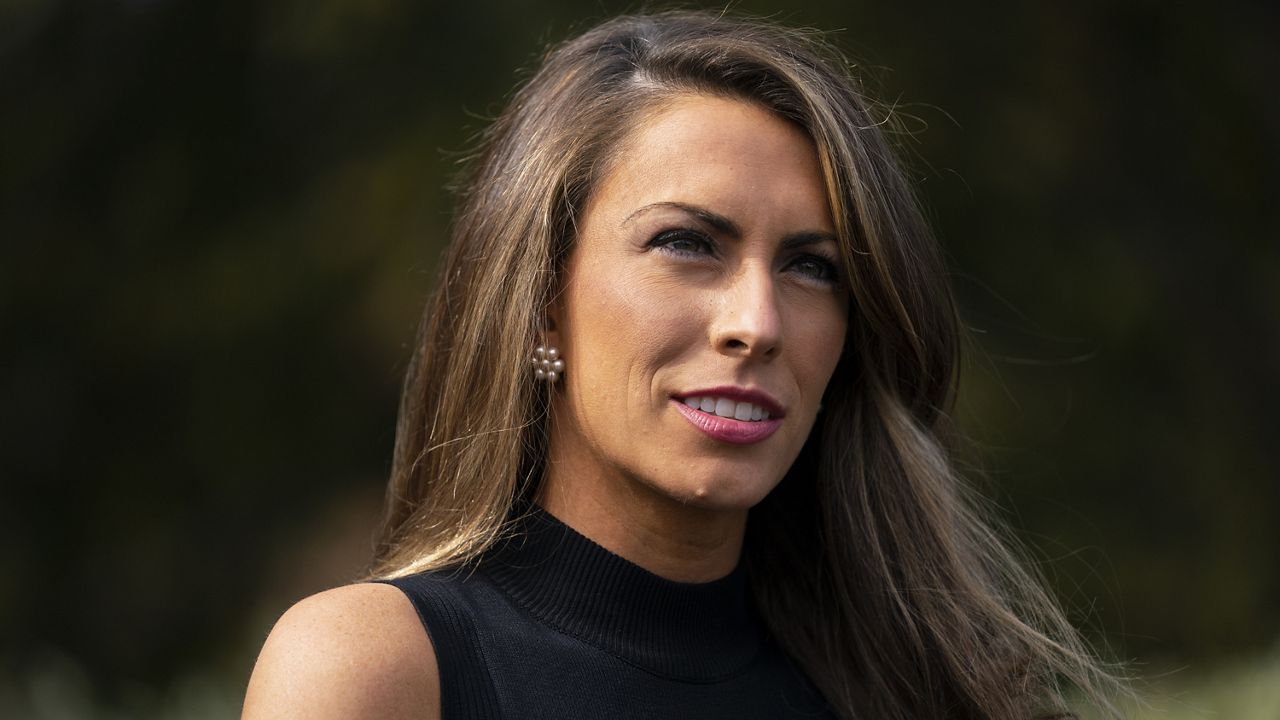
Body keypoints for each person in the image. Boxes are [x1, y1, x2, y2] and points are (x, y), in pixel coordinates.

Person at [242, 10, 1124, 720]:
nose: (758, 323)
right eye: (688, 243)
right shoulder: (374, 672)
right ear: (542, 294)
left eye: (812, 265)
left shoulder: (908, 691)